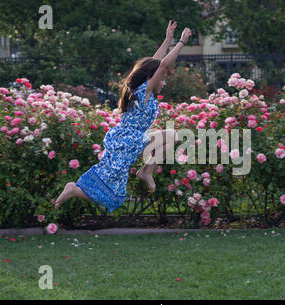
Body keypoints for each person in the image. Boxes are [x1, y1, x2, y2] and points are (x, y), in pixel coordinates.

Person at [52, 20, 192, 212]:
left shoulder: (140, 88)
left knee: (171, 136)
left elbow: (154, 65)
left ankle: (146, 171)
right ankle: (73, 190)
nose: (164, 82)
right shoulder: (144, 92)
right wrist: (181, 42)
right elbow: (161, 66)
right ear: (152, 78)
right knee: (114, 196)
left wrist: (168, 38)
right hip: (127, 142)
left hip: (131, 139)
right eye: (163, 78)